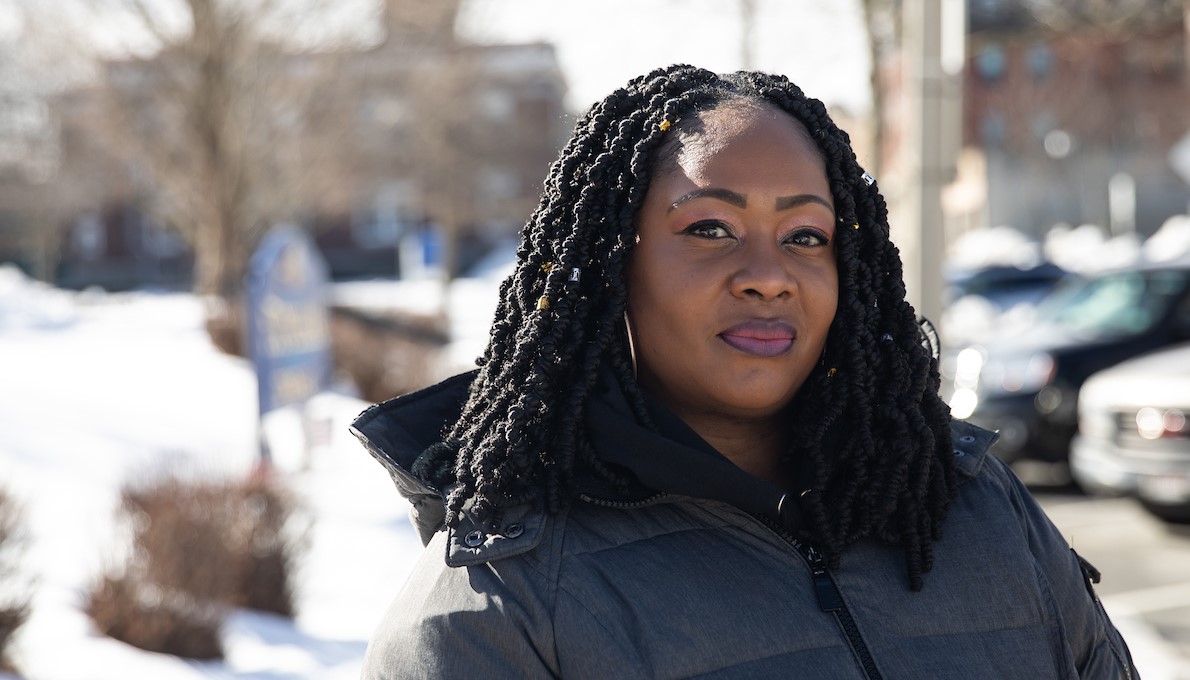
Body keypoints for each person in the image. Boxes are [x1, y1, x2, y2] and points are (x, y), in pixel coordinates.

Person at [352, 65, 1137, 678]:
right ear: (610, 270)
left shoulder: (979, 507)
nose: (769, 274)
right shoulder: (501, 605)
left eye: (805, 236)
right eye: (711, 227)